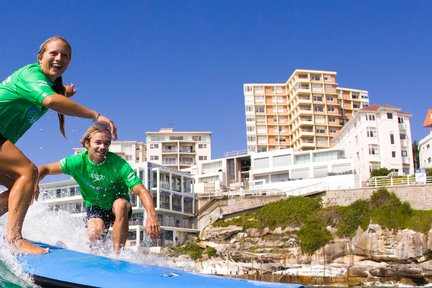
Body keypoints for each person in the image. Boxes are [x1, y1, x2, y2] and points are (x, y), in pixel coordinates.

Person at [0, 36, 117, 254]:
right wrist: (95, 115)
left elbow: (56, 94)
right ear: (40, 57)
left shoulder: (50, 85)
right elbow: (51, 101)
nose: (59, 58)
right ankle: (15, 240)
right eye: (53, 53)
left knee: (24, 187)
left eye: (65, 56)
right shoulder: (30, 75)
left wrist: (65, 91)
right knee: (28, 172)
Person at [38, 125, 160, 254]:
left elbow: (142, 191)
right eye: (98, 142)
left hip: (118, 207)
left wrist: (151, 216)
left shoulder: (118, 164)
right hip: (96, 206)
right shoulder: (77, 162)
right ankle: (95, 255)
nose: (102, 147)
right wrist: (35, 183)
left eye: (106, 144)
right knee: (94, 233)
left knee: (121, 204)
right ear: (87, 144)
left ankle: (118, 256)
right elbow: (44, 169)